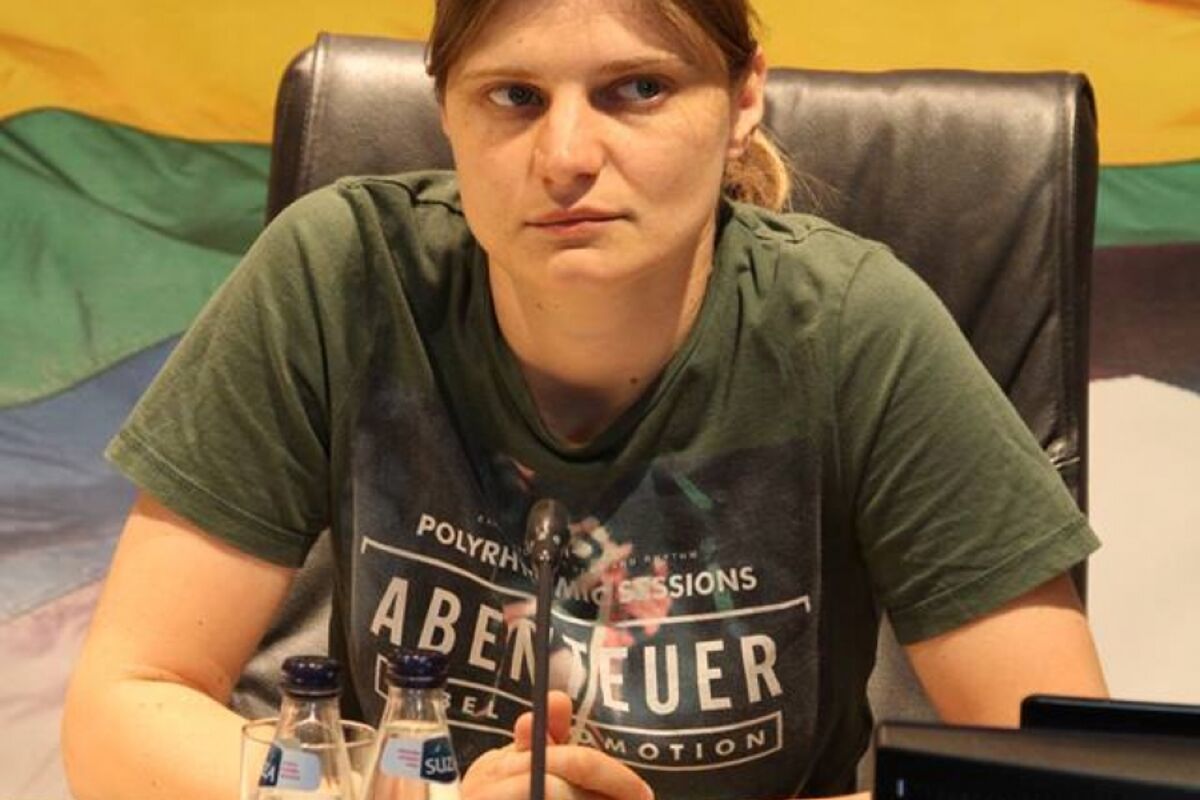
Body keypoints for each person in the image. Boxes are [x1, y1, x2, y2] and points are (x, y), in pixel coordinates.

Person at [61, 0, 1108, 798]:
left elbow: (1063, 778)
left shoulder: (856, 328)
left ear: (743, 100)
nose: (566, 157)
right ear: (445, 110)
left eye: (637, 89)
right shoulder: (338, 274)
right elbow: (124, 705)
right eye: (514, 96)